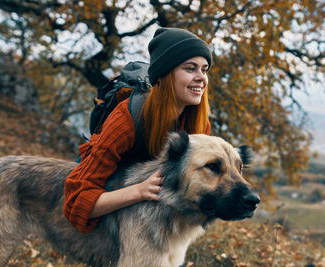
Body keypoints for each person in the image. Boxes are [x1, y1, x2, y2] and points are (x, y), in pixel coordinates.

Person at [63, 27, 213, 234]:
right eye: (190, 68)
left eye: (204, 69)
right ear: (166, 74)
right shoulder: (127, 118)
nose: (201, 78)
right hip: (115, 194)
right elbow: (77, 200)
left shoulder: (199, 124)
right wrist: (139, 191)